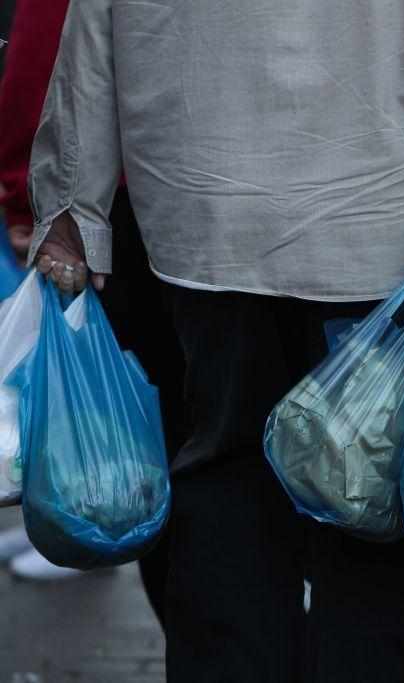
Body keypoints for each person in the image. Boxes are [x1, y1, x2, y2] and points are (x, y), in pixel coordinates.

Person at [26, 1, 404, 681]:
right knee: (372, 509)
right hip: (377, 217)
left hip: (208, 214)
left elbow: (93, 19)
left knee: (225, 485)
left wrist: (70, 200)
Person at [0, 0, 182, 606]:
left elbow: (48, 51)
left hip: (140, 199)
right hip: (355, 200)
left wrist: (31, 194)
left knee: (183, 456)